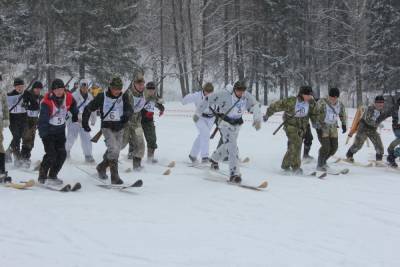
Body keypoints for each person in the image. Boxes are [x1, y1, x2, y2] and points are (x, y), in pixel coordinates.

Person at [196, 81, 262, 183]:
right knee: (232, 146)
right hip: (224, 123)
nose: (241, 93)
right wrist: (198, 113)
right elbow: (208, 99)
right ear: (234, 89)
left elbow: (255, 105)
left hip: (236, 125)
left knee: (228, 146)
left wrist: (257, 118)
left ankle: (214, 158)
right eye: (238, 90)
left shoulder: (246, 96)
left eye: (243, 91)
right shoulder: (224, 94)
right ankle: (234, 174)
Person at [82, 77, 133, 184]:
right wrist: (85, 123)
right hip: (107, 127)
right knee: (113, 149)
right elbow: (88, 108)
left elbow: (129, 109)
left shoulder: (124, 97)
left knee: (116, 152)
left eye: (119, 89)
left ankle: (101, 167)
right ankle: (115, 177)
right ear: (110, 87)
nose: (117, 91)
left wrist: (126, 115)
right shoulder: (102, 96)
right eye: (115, 88)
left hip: (120, 128)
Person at [264, 86, 318, 174]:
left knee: (293, 146)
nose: (309, 97)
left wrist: (315, 122)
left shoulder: (311, 102)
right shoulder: (291, 101)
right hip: (290, 126)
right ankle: (296, 167)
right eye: (307, 95)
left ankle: (285, 165)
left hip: (302, 127)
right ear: (301, 94)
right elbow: (276, 105)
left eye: (310, 95)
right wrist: (267, 114)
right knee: (297, 143)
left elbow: (314, 113)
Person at [37, 79, 79, 185]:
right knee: (51, 154)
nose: (59, 92)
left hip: (60, 131)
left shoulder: (68, 96)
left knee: (62, 154)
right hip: (48, 132)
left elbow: (73, 105)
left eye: (61, 89)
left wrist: (74, 114)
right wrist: (44, 135)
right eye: (57, 90)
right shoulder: (46, 102)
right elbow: (42, 120)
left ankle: (52, 175)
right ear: (53, 91)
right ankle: (42, 176)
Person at [346, 95, 391, 162]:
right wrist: (377, 123)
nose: (380, 104)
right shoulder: (370, 108)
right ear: (375, 103)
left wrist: (391, 113)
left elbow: (386, 115)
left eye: (381, 102)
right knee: (358, 145)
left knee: (379, 145)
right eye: (378, 102)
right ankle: (349, 155)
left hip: (372, 130)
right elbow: (368, 120)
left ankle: (379, 160)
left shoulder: (383, 110)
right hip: (363, 128)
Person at [315, 88, 347, 171]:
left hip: (333, 127)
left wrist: (344, 124)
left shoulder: (339, 104)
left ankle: (324, 161)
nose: (333, 99)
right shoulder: (322, 102)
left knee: (334, 148)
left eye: (335, 97)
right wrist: (317, 125)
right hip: (323, 127)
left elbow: (342, 114)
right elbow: (314, 113)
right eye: (332, 97)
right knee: (326, 147)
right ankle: (320, 164)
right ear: (329, 96)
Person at [182, 82, 215, 163]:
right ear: (204, 90)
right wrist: (185, 100)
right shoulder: (197, 95)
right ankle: (205, 157)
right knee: (205, 133)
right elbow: (185, 100)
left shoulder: (215, 96)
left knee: (203, 136)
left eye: (210, 91)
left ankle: (193, 155)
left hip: (211, 118)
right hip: (199, 117)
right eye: (207, 91)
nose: (208, 93)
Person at [65, 79, 96, 163]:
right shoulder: (73, 96)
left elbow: (93, 109)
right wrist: (74, 115)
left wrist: (93, 119)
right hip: (73, 121)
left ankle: (88, 155)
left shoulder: (90, 97)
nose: (84, 88)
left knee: (86, 138)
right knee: (71, 137)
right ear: (80, 86)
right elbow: (68, 108)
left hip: (84, 121)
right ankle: (66, 152)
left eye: (85, 86)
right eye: (82, 86)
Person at [121, 73, 146, 170]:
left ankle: (137, 165)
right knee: (121, 144)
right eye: (138, 83)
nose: (141, 86)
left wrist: (160, 105)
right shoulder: (127, 94)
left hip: (137, 123)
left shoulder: (144, 93)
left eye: (142, 84)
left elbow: (153, 97)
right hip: (126, 123)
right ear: (134, 84)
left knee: (141, 144)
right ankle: (107, 161)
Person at [20, 81, 43, 168]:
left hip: (35, 119)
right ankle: (24, 158)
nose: (38, 90)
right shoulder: (28, 94)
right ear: (33, 88)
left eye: (39, 89)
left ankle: (26, 157)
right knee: (27, 139)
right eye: (36, 88)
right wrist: (26, 103)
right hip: (27, 119)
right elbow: (24, 103)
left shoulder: (40, 97)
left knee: (32, 140)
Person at [141, 81, 165, 163]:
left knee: (152, 139)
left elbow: (159, 104)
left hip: (149, 122)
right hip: (138, 121)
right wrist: (144, 113)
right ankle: (131, 154)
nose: (151, 91)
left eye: (152, 89)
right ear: (146, 89)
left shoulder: (155, 97)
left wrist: (162, 109)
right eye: (149, 89)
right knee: (136, 138)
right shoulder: (141, 96)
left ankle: (150, 158)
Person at [0, 75, 11, 182]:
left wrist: (6, 118)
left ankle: (2, 170)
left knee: (0, 145)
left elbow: (5, 107)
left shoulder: (2, 93)